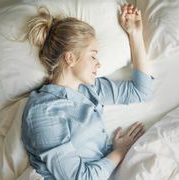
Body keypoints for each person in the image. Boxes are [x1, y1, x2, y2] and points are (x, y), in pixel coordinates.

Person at [22, 3, 154, 180]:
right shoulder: (43, 111)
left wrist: (135, 35)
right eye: (93, 56)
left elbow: (141, 91)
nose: (98, 64)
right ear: (70, 58)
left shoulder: (90, 90)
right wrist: (120, 152)